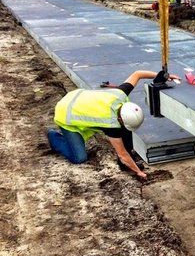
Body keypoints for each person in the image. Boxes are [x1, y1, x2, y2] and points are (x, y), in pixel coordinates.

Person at [47, 70, 180, 179]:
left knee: (126, 132)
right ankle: (54, 136)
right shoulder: (110, 124)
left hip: (78, 97)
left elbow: (138, 74)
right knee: (79, 157)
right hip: (66, 112)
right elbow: (122, 154)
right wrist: (138, 172)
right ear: (120, 119)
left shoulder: (121, 94)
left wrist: (162, 76)